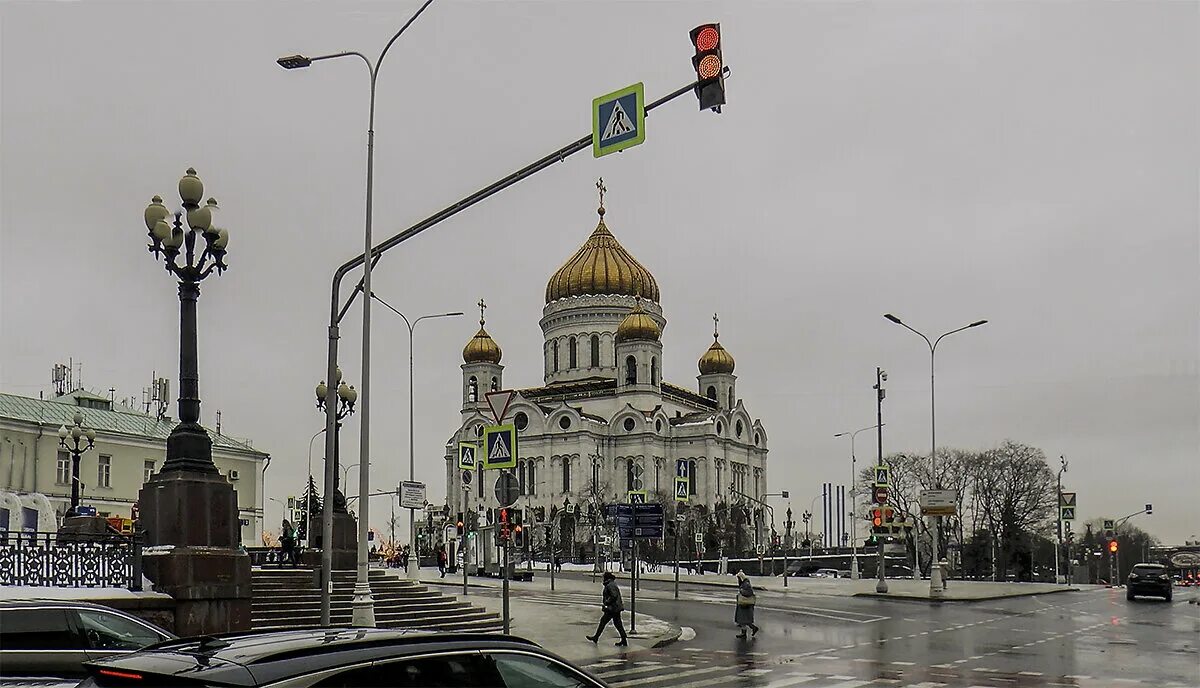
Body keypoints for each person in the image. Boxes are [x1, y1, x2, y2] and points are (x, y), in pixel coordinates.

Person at [586, 571, 628, 647]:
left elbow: (614, 596)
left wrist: (607, 602)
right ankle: (624, 640)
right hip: (615, 608)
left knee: (603, 622)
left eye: (603, 577)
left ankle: (596, 637)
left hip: (612, 608)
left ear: (606, 578)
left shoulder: (610, 585)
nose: (602, 579)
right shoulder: (611, 584)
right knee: (618, 624)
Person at [734, 570, 759, 638]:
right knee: (744, 620)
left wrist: (741, 591)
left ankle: (747, 631)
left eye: (738, 578)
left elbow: (749, 593)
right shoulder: (744, 583)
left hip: (745, 605)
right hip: (744, 604)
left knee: (743, 620)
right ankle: (748, 631)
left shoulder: (746, 584)